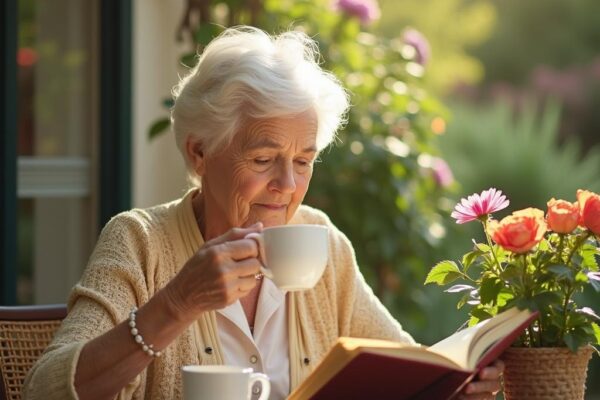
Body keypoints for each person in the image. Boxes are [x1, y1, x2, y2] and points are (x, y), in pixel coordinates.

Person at [24, 26, 503, 400]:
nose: (288, 186)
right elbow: (45, 390)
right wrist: (176, 305)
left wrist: (457, 383)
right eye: (262, 159)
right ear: (199, 154)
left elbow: (409, 369)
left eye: (303, 161)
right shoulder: (140, 242)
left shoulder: (322, 242)